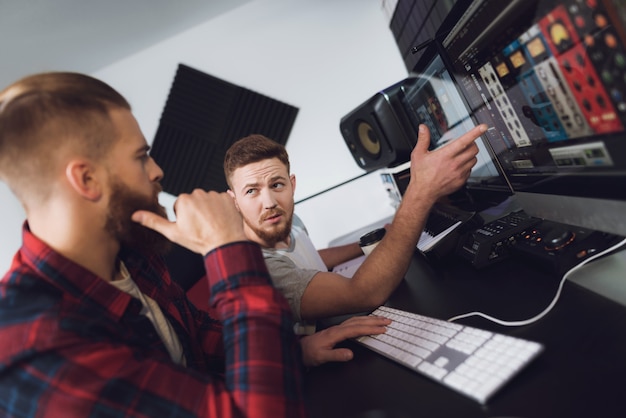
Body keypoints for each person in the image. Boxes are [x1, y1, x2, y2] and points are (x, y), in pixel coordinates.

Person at [0, 72, 306, 417]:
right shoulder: (38, 348)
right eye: (141, 156)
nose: (158, 170)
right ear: (88, 179)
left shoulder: (131, 250)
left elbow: (195, 337)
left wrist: (294, 350)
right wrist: (229, 247)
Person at [223, 127, 485, 358]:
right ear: (234, 201)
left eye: (277, 185)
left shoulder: (288, 220)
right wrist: (422, 190)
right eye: (251, 191)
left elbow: (306, 257)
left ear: (292, 185)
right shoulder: (258, 267)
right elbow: (363, 294)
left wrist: (366, 244)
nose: (269, 202)